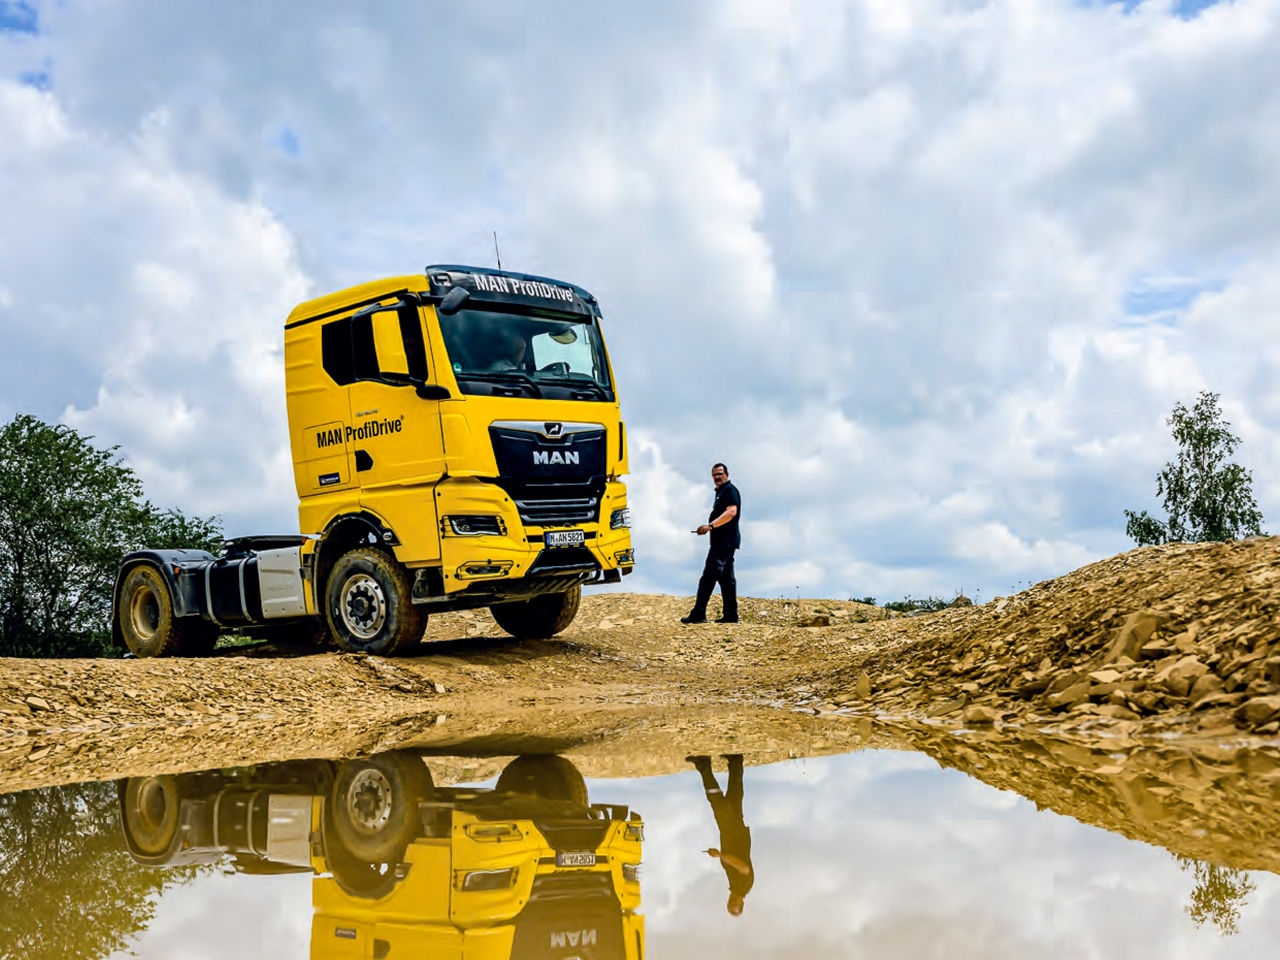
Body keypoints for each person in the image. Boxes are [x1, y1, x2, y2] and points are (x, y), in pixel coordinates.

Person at [688, 754, 754, 916]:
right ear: (741, 903)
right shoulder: (743, 887)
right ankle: (704, 766)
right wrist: (721, 855)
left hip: (733, 833)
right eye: (734, 903)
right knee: (717, 801)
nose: (731, 901)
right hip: (734, 834)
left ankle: (735, 762)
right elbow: (744, 868)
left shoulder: (734, 886)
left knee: (734, 796)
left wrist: (722, 856)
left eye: (729, 903)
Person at [681, 462, 740, 624]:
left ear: (727, 475)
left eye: (720, 474)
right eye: (714, 474)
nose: (717, 477)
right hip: (725, 542)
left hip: (724, 542)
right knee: (727, 580)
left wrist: (710, 526)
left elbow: (731, 512)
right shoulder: (721, 491)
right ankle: (731, 615)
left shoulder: (729, 490)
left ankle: (699, 613)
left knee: (709, 576)